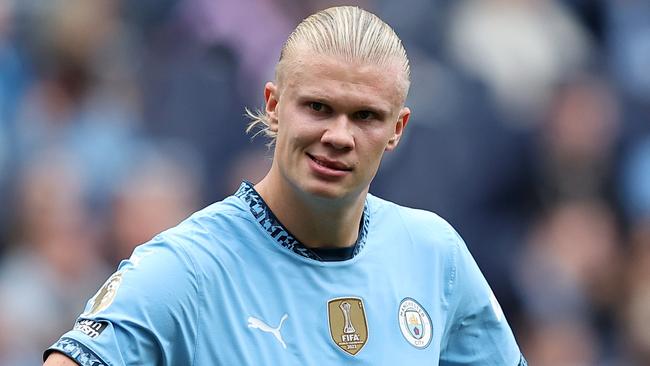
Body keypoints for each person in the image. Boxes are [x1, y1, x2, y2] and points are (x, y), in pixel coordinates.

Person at [44, 6, 527, 365]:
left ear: (397, 129)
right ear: (274, 105)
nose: (338, 136)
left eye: (365, 116)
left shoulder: (434, 253)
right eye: (318, 107)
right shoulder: (187, 267)